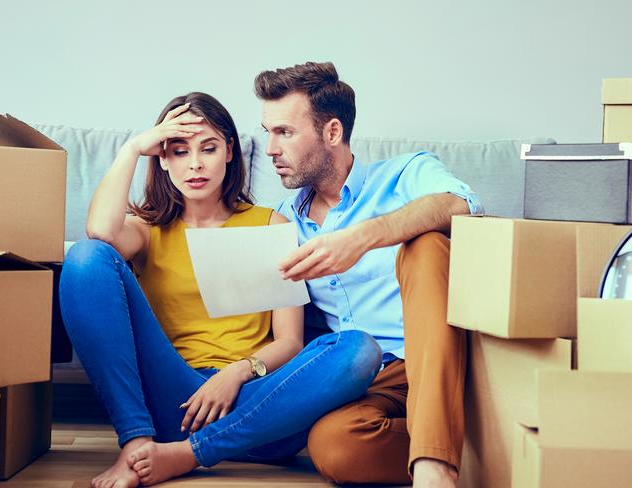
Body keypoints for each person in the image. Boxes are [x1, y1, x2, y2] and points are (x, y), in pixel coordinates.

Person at [59, 92, 382, 488]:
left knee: (358, 349)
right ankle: (138, 445)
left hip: (258, 401)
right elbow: (100, 234)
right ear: (163, 159)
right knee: (85, 257)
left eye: (208, 148)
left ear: (229, 152)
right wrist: (132, 149)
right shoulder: (145, 230)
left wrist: (236, 373)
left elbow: (290, 342)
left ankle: (189, 454)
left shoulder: (271, 225)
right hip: (178, 402)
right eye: (179, 151)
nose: (194, 164)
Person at [254, 62, 484, 488]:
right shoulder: (282, 223)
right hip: (372, 381)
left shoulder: (405, 173)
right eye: (267, 131)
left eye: (284, 132)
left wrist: (362, 237)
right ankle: (468, 448)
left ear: (332, 133)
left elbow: (463, 204)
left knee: (426, 243)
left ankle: (435, 467)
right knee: (333, 446)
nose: (269, 148)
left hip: (439, 358)